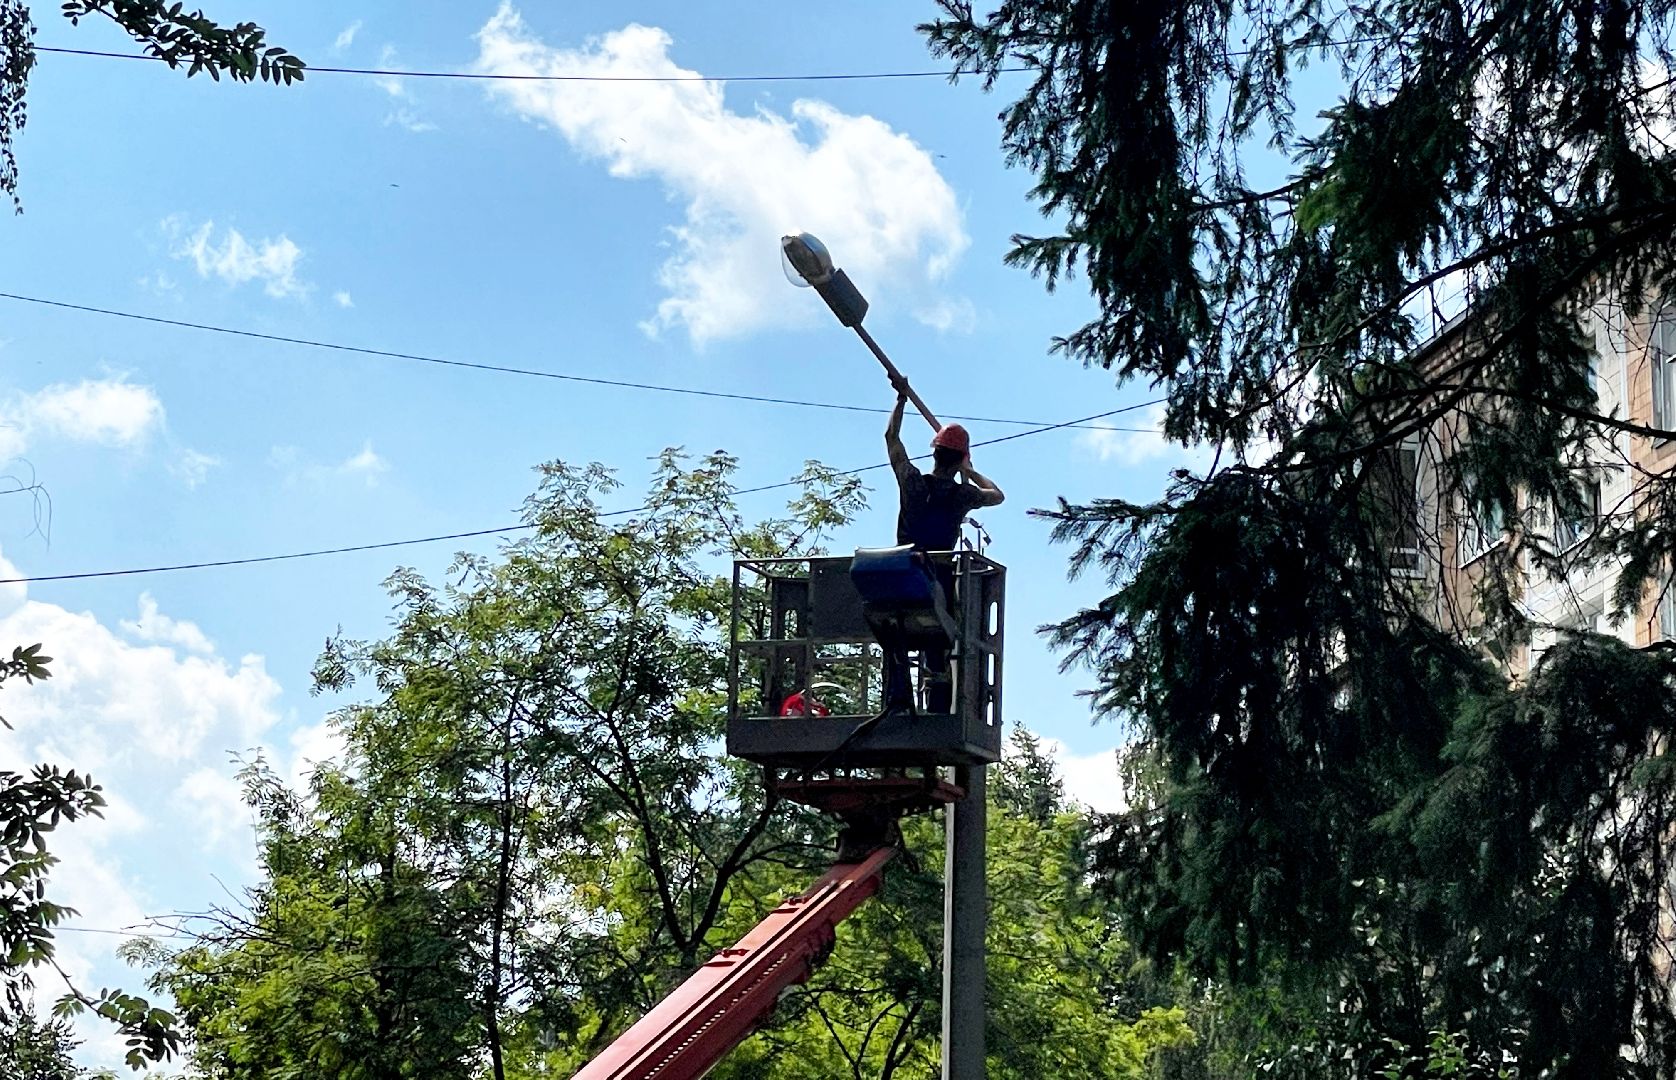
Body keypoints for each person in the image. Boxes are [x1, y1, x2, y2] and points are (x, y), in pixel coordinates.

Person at [879, 374, 1004, 712]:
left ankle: (898, 699)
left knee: (897, 635)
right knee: (938, 639)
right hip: (939, 579)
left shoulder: (912, 483)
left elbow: (891, 438)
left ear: (933, 453)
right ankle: (936, 707)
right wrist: (971, 470)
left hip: (903, 573)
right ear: (959, 457)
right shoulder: (961, 494)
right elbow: (997, 496)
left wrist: (901, 400)